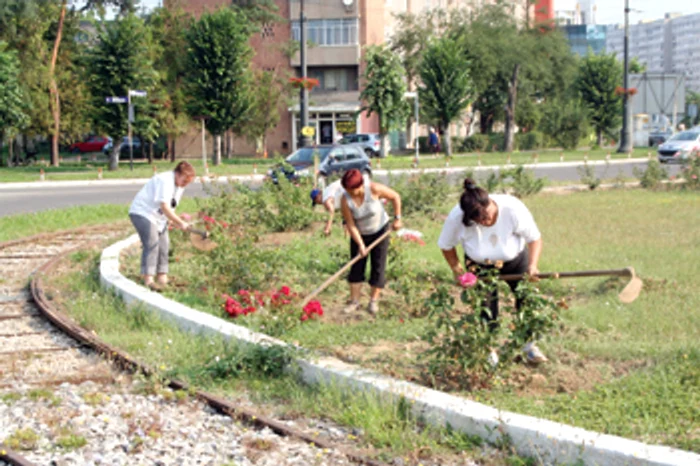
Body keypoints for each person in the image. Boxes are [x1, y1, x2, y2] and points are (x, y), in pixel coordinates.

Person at [437, 178, 546, 365]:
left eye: (486, 217)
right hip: (479, 266)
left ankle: (529, 346)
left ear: (490, 204)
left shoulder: (512, 208)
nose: (485, 223)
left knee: (525, 300)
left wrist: (532, 266)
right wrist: (458, 271)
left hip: (515, 260)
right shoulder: (457, 217)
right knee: (485, 307)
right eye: (478, 221)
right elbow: (446, 246)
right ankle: (488, 350)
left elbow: (534, 239)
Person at [340, 169, 402, 315]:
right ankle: (354, 301)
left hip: (381, 231)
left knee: (378, 266)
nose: (349, 192)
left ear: (360, 186)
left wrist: (398, 218)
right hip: (359, 234)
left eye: (352, 190)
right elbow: (351, 224)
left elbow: (395, 196)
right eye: (347, 190)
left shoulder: (374, 189)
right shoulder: (345, 199)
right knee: (356, 267)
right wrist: (361, 244)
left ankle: (373, 301)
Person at [129, 161, 195, 291]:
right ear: (177, 173)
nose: (185, 184)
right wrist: (180, 223)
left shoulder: (179, 186)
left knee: (164, 244)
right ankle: (148, 279)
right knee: (152, 243)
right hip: (143, 213)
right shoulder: (165, 181)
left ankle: (162, 277)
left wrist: (172, 220)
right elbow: (164, 206)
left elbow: (172, 205)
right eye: (184, 180)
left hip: (158, 217)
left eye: (188, 182)